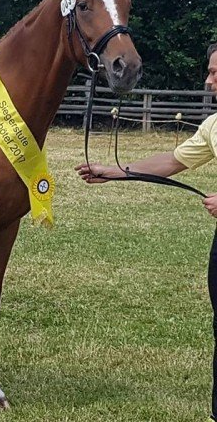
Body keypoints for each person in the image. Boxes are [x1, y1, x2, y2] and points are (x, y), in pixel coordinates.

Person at [76, 42, 217, 420]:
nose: (208, 81)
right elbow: (172, 161)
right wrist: (117, 172)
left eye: (216, 73)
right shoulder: (213, 126)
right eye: (209, 71)